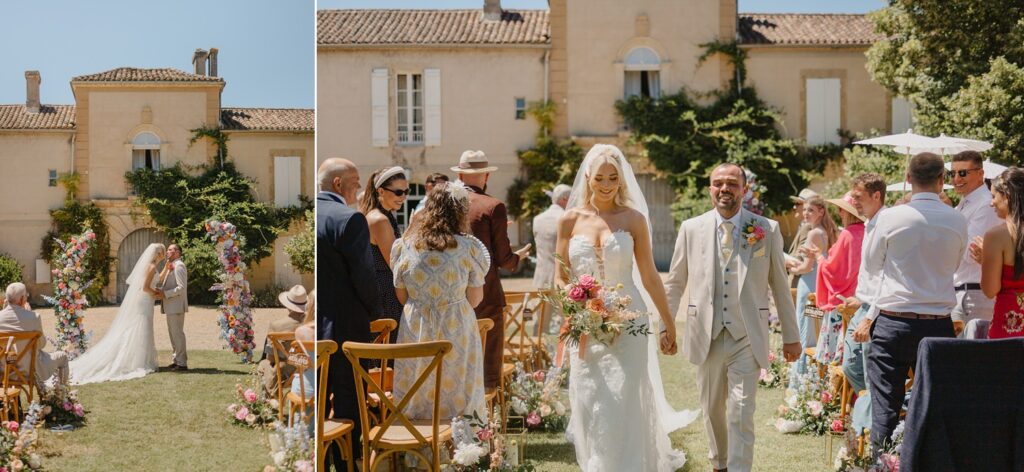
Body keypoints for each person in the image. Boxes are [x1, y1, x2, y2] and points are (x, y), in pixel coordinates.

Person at [558, 144, 697, 471]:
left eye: (613, 178)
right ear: (587, 177)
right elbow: (561, 276)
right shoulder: (569, 220)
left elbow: (649, 275)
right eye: (600, 178)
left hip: (631, 321)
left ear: (621, 180)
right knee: (592, 398)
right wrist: (576, 308)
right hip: (586, 326)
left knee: (624, 396)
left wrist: (668, 321)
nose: (606, 184)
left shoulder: (634, 219)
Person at [665, 162, 801, 472]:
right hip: (706, 333)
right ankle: (719, 464)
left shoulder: (766, 229)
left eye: (732, 183)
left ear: (744, 189)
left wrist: (792, 336)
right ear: (710, 188)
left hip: (746, 335)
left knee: (742, 409)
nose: (724, 188)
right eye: (718, 183)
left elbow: (780, 284)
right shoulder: (691, 228)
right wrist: (666, 326)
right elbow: (675, 282)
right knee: (712, 409)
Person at [852, 152, 967, 455]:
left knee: (885, 404)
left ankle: (882, 461)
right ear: (942, 180)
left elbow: (872, 265)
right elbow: (955, 264)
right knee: (933, 402)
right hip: (937, 322)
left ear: (907, 179)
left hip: (894, 320)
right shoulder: (957, 218)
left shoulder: (889, 217)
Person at [391, 181, 490, 421]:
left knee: (418, 383)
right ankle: (464, 447)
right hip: (456, 324)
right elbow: (475, 299)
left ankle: (417, 446)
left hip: (416, 324)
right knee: (459, 384)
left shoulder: (405, 246)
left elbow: (402, 296)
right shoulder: (469, 247)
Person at [316, 157, 379, 470]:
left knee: (316, 405)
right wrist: (376, 311)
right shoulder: (349, 219)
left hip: (314, 332)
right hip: (347, 330)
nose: (360, 189)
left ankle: (318, 459)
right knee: (350, 404)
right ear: (338, 184)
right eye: (356, 183)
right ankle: (347, 465)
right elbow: (365, 277)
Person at [452, 150, 531, 389]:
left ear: (461, 175)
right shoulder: (493, 206)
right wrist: (518, 257)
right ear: (486, 175)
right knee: (489, 353)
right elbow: (503, 258)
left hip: (449, 287)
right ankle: (490, 407)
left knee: (457, 350)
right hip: (485, 290)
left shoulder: (445, 203)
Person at [69, 243, 163, 384]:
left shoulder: (150, 266)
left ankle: (138, 359)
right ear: (158, 254)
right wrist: (157, 293)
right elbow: (145, 288)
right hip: (145, 300)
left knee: (140, 328)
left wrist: (167, 268)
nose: (163, 255)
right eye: (162, 253)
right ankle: (137, 361)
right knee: (141, 327)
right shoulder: (151, 267)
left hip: (145, 301)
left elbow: (156, 279)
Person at [838, 173, 887, 393]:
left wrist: (869, 317)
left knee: (869, 370)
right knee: (850, 365)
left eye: (858, 197)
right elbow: (870, 271)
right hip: (863, 304)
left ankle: (873, 422)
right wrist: (859, 297)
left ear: (876, 196)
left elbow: (886, 275)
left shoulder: (885, 224)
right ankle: (869, 411)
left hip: (877, 310)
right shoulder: (869, 224)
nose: (853, 202)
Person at [804, 193, 865, 365]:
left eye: (842, 209)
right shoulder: (865, 231)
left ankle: (830, 390)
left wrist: (818, 257)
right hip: (857, 298)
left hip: (841, 301)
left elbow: (834, 269)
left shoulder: (847, 233)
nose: (839, 213)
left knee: (834, 359)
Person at [949, 150, 1004, 338]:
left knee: (972, 362)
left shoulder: (986, 204)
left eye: (963, 173)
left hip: (974, 294)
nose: (956, 178)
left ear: (980, 174)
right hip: (961, 292)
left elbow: (970, 253)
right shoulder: (964, 204)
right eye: (952, 173)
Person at [785, 196, 837, 389]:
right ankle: (815, 379)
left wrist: (790, 266)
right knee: (815, 329)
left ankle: (801, 381)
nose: (805, 213)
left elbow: (806, 267)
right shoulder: (828, 231)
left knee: (805, 330)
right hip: (819, 286)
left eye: (810, 210)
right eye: (805, 210)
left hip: (808, 286)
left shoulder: (815, 233)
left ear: (821, 211)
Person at [972, 167, 1024, 338]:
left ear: (1007, 196)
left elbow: (990, 290)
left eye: (994, 196)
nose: (991, 202)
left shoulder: (996, 236)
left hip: (1009, 327)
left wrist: (986, 262)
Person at [360, 166, 409, 342]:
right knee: (389, 353)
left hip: (383, 288)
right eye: (398, 192)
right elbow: (395, 263)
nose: (403, 197)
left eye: (406, 191)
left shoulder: (383, 215)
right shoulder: (379, 219)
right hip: (386, 292)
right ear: (381, 191)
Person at [0, 283, 69, 386]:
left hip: (6, 371)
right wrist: (29, 313)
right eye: (26, 296)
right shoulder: (34, 317)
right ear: (22, 298)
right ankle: (62, 396)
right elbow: (41, 344)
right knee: (63, 357)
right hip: (32, 371)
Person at [256, 285, 308, 401]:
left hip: (285, 373)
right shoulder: (311, 325)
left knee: (264, 365)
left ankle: (270, 400)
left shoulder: (276, 325)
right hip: (308, 369)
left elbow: (271, 358)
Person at [532, 183, 572, 290]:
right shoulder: (567, 219)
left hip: (541, 278)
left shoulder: (537, 219)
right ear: (565, 199)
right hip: (563, 280)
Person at [159, 243, 189, 371]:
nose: (168, 252)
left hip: (176, 306)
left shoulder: (179, 266)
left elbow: (181, 288)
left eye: (171, 250)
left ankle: (182, 363)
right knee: (173, 334)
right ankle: (176, 360)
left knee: (177, 334)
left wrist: (164, 294)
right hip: (171, 306)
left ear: (178, 252)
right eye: (168, 250)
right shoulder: (171, 265)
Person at [291, 289, 317, 435]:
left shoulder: (301, 331)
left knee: (299, 379)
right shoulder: (330, 331)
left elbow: (296, 362)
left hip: (306, 388)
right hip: (326, 388)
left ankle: (299, 434)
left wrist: (307, 362)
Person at [786, 188, 820, 288]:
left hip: (803, 283)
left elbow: (800, 258)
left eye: (798, 203)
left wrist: (779, 258)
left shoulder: (808, 227)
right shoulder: (804, 226)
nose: (794, 207)